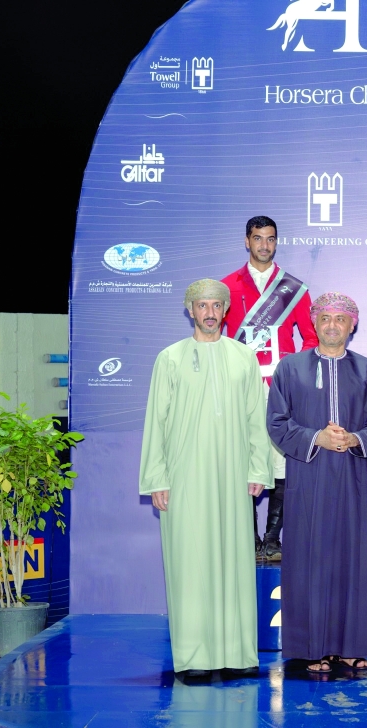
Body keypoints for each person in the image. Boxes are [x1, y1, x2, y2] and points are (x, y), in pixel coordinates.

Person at [139, 279, 273, 683]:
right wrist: (157, 478)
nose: (210, 312)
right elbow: (155, 424)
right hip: (183, 477)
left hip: (233, 475)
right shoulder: (171, 358)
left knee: (234, 558)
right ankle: (194, 655)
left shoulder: (244, 357)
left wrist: (258, 468)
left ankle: (237, 651)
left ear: (225, 310)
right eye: (202, 305)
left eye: (217, 305)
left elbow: (256, 418)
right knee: (190, 562)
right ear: (190, 310)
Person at [267, 292, 367, 673]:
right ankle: (312, 648)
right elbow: (276, 422)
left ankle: (352, 645)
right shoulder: (290, 368)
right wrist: (315, 438)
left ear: (352, 324)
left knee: (353, 559)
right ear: (314, 322)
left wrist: (354, 439)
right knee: (310, 558)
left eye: (340, 318)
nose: (333, 325)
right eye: (325, 318)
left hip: (351, 476)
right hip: (308, 477)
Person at [221, 215, 319, 561]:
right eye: (258, 238)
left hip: (281, 387)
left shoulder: (294, 288)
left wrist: (293, 372)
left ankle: (274, 538)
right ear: (247, 241)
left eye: (271, 239)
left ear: (277, 242)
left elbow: (310, 339)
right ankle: (249, 537)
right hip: (240, 387)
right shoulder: (226, 287)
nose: (265, 245)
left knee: (281, 461)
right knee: (242, 458)